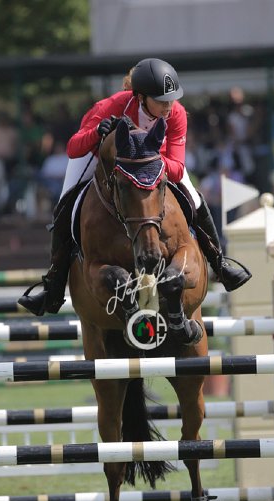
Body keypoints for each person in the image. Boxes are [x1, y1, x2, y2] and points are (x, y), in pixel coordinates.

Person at [19, 58, 251, 316]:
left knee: (194, 199)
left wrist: (148, 161)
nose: (168, 106)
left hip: (156, 163)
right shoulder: (111, 106)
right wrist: (96, 133)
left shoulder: (176, 114)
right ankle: (53, 286)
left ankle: (219, 262)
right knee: (66, 203)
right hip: (101, 157)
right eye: (161, 101)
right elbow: (73, 148)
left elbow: (176, 168)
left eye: (171, 99)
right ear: (140, 97)